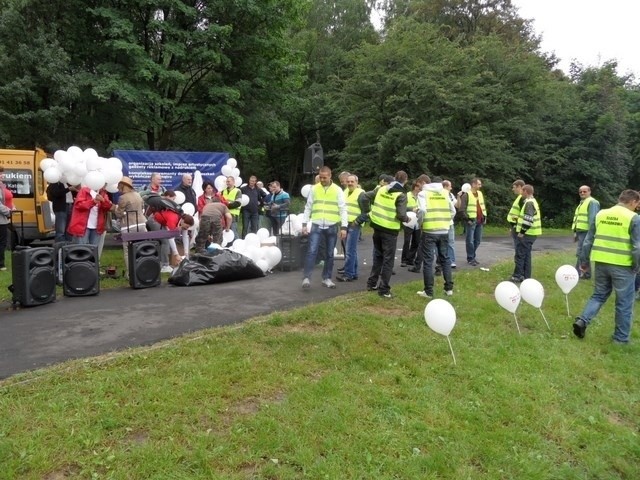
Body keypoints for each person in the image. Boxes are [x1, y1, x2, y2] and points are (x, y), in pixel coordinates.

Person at [573, 189, 640, 344]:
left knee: (599, 295)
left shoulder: (601, 214)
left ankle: (583, 320)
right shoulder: (634, 218)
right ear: (633, 202)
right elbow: (637, 247)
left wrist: (584, 262)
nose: (637, 208)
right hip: (624, 265)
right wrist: (637, 266)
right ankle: (621, 339)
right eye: (637, 204)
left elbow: (588, 241)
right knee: (624, 302)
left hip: (601, 263)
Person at [301, 166, 348, 289]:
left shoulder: (337, 190)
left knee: (329, 254)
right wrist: (304, 224)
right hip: (316, 224)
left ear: (330, 175)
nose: (322, 179)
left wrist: (344, 227)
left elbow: (343, 209)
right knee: (311, 251)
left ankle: (326, 278)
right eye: (320, 177)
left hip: (332, 225)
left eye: (324, 177)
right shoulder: (314, 189)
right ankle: (306, 278)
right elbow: (308, 206)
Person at [364, 170, 409, 298]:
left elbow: (364, 197)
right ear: (405, 181)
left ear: (394, 178)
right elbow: (401, 215)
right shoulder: (401, 195)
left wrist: (368, 211)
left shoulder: (381, 189)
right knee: (388, 260)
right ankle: (384, 290)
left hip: (377, 226)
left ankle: (371, 283)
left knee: (378, 257)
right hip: (390, 230)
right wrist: (407, 219)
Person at [416, 177, 456, 298]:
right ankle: (449, 289)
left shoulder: (423, 194)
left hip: (429, 230)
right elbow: (453, 211)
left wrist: (420, 222)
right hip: (444, 230)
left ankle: (428, 291)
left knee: (428, 261)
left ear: (424, 184)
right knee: (445, 258)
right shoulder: (445, 192)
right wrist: (446, 221)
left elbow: (422, 210)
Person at [114, 177, 147, 279]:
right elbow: (142, 208)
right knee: (141, 248)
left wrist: (115, 208)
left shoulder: (123, 198)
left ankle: (130, 274)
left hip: (129, 225)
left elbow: (119, 214)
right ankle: (143, 270)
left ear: (122, 186)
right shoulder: (138, 195)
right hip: (142, 224)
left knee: (128, 251)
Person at [336, 174, 367, 282]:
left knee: (349, 250)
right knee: (351, 250)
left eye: (352, 182)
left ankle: (348, 274)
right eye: (348, 181)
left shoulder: (361, 194)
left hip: (354, 224)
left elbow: (366, 212)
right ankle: (353, 273)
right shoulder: (345, 192)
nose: (349, 183)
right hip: (345, 224)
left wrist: (357, 222)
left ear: (357, 182)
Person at [510, 184, 542, 282]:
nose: (521, 193)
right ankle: (526, 276)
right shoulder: (532, 201)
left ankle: (517, 276)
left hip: (527, 234)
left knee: (520, 255)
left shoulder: (529, 203)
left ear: (526, 191)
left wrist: (522, 232)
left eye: (522, 191)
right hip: (531, 233)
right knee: (526, 255)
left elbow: (528, 219)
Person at [67, 184, 113, 250]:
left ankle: (94, 260)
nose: (105, 185)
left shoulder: (103, 193)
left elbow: (108, 207)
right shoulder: (84, 190)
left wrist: (103, 201)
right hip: (82, 226)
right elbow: (79, 205)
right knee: (82, 250)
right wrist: (93, 202)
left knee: (94, 249)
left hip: (97, 226)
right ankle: (82, 260)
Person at [572, 185, 600, 280]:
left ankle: (584, 273)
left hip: (587, 232)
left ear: (589, 192)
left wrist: (590, 234)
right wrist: (576, 232)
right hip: (581, 232)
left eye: (585, 191)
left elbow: (593, 220)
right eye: (581, 192)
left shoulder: (592, 202)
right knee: (581, 253)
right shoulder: (582, 203)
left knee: (583, 253)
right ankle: (579, 272)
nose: (582, 193)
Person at [459, 177, 486, 266]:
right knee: (470, 240)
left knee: (478, 240)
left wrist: (484, 217)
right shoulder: (466, 195)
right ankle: (471, 258)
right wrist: (467, 219)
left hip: (480, 220)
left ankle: (472, 256)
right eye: (478, 184)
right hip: (471, 220)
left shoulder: (480, 194)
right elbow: (462, 209)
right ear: (473, 184)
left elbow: (482, 206)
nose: (480, 186)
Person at [400, 182, 421, 268]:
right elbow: (403, 207)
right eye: (419, 188)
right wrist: (412, 209)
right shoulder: (407, 195)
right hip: (408, 220)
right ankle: (404, 260)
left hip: (418, 221)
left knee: (416, 241)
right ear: (415, 187)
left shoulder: (421, 196)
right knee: (407, 241)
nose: (420, 190)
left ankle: (410, 259)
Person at [0, 166, 14, 271]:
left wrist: (13, 208)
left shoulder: (2, 186)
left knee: (3, 242)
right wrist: (8, 212)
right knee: (1, 242)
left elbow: (7, 201)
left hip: (3, 218)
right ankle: (1, 264)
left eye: (2, 173)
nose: (2, 175)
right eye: (0, 173)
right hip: (1, 219)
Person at [442, 180, 457, 268]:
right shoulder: (442, 196)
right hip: (443, 223)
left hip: (449, 223)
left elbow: (457, 205)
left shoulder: (451, 195)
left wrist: (459, 196)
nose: (451, 188)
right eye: (450, 186)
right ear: (445, 186)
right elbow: (453, 211)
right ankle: (443, 261)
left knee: (450, 242)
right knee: (443, 243)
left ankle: (451, 261)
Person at [222, 176, 242, 240]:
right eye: (226, 182)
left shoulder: (238, 191)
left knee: (233, 231)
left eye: (229, 181)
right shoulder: (223, 191)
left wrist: (226, 206)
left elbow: (238, 203)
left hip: (233, 214)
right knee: (226, 231)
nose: (227, 183)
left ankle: (238, 245)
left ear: (233, 182)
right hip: (224, 214)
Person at [507, 179, 525, 249]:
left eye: (514, 187)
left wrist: (515, 226)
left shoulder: (522, 199)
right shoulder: (519, 198)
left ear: (519, 187)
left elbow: (522, 214)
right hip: (515, 226)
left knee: (519, 248)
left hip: (518, 227)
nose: (513, 189)